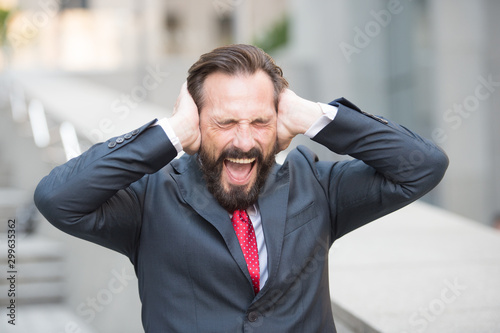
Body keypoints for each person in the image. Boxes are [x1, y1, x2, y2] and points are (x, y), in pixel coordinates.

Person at [34, 44, 448, 332]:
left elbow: (422, 166)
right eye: (226, 122)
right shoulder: (149, 199)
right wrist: (169, 133)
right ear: (196, 123)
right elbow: (57, 198)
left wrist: (315, 116)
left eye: (260, 122)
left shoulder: (316, 186)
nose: (244, 141)